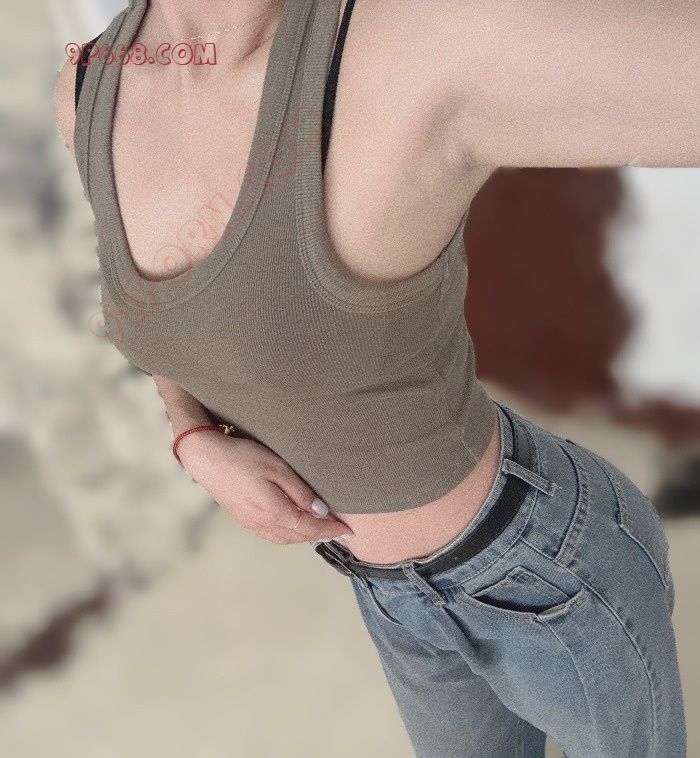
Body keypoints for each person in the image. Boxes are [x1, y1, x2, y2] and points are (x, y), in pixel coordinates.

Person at [53, 1, 696, 755]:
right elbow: (169, 322)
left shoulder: (409, 43)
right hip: (389, 596)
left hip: (543, 567)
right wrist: (192, 434)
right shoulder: (90, 84)